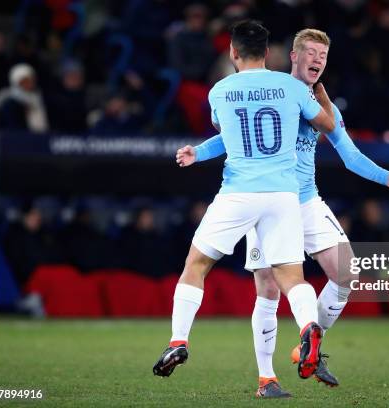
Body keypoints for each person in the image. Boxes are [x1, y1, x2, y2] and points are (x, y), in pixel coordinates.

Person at [175, 28, 389, 396]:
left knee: (347, 273)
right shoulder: (274, 90)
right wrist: (200, 152)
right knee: (268, 289)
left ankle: (309, 345)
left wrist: (386, 178)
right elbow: (232, 137)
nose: (318, 60)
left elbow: (348, 155)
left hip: (305, 201)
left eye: (324, 56)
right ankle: (267, 378)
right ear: (293, 56)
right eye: (312, 53)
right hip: (270, 200)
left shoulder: (321, 104)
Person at [152, 21, 336, 398]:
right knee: (291, 278)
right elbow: (325, 124)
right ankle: (306, 329)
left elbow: (229, 133)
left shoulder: (220, 90)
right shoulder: (291, 87)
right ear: (269, 54)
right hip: (284, 196)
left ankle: (178, 341)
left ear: (233, 53)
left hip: (238, 192)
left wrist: (198, 151)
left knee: (196, 265)